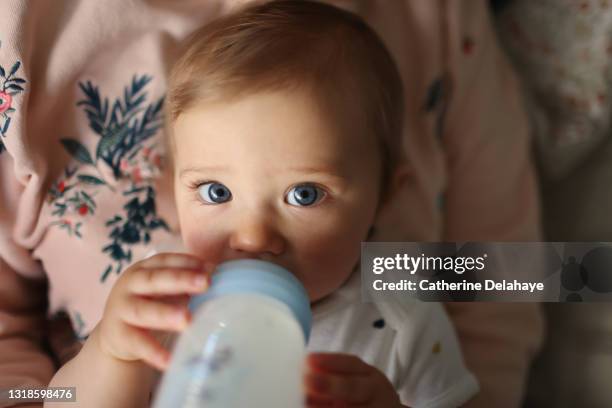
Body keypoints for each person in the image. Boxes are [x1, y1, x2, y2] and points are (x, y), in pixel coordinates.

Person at [0, 1, 542, 407]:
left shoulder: (402, 316)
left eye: (305, 194)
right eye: (215, 193)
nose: (254, 238)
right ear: (174, 186)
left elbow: (534, 276)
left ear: (384, 198)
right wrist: (111, 355)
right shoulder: (162, 305)